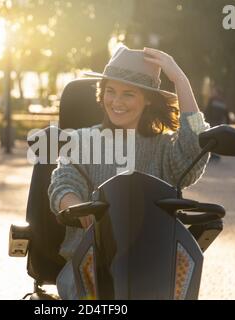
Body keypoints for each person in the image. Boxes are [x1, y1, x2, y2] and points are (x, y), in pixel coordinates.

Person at [47, 45, 211, 299]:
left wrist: (180, 79)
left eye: (128, 94)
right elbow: (63, 184)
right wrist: (76, 207)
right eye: (110, 92)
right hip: (90, 260)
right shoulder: (80, 141)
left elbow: (193, 149)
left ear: (147, 98)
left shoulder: (165, 148)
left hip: (154, 262)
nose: (116, 102)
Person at [204, 86, 229, 161]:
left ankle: (211, 154)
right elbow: (226, 115)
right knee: (217, 139)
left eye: (214, 92)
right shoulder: (223, 102)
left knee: (210, 139)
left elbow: (207, 111)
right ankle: (215, 154)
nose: (212, 93)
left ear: (217, 93)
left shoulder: (212, 100)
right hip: (219, 124)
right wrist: (228, 125)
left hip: (211, 123)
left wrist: (204, 121)